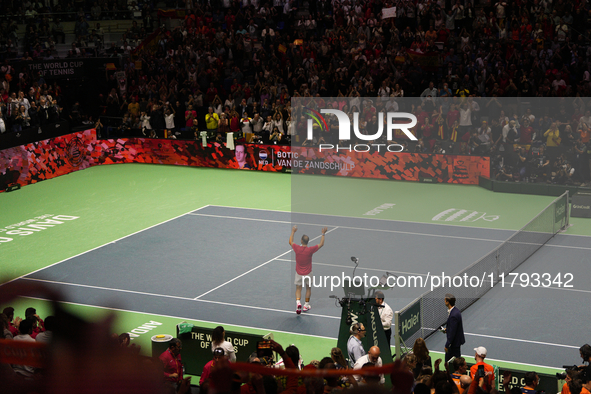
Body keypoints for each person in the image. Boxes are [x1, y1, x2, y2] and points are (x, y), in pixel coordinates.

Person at [288, 225, 327, 314]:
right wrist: (323, 234)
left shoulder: (297, 248)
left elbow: (290, 241)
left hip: (298, 274)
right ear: (308, 242)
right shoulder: (310, 250)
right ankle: (306, 305)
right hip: (308, 273)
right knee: (308, 289)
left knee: (298, 289)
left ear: (301, 241)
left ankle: (298, 302)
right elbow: (321, 244)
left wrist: (293, 231)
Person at [443, 293, 465, 362]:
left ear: (448, 302)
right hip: (456, 342)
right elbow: (453, 327)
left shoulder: (453, 315)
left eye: (445, 300)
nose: (444, 301)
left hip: (453, 344)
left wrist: (447, 345)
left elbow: (452, 333)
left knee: (449, 363)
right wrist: (447, 329)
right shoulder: (456, 311)